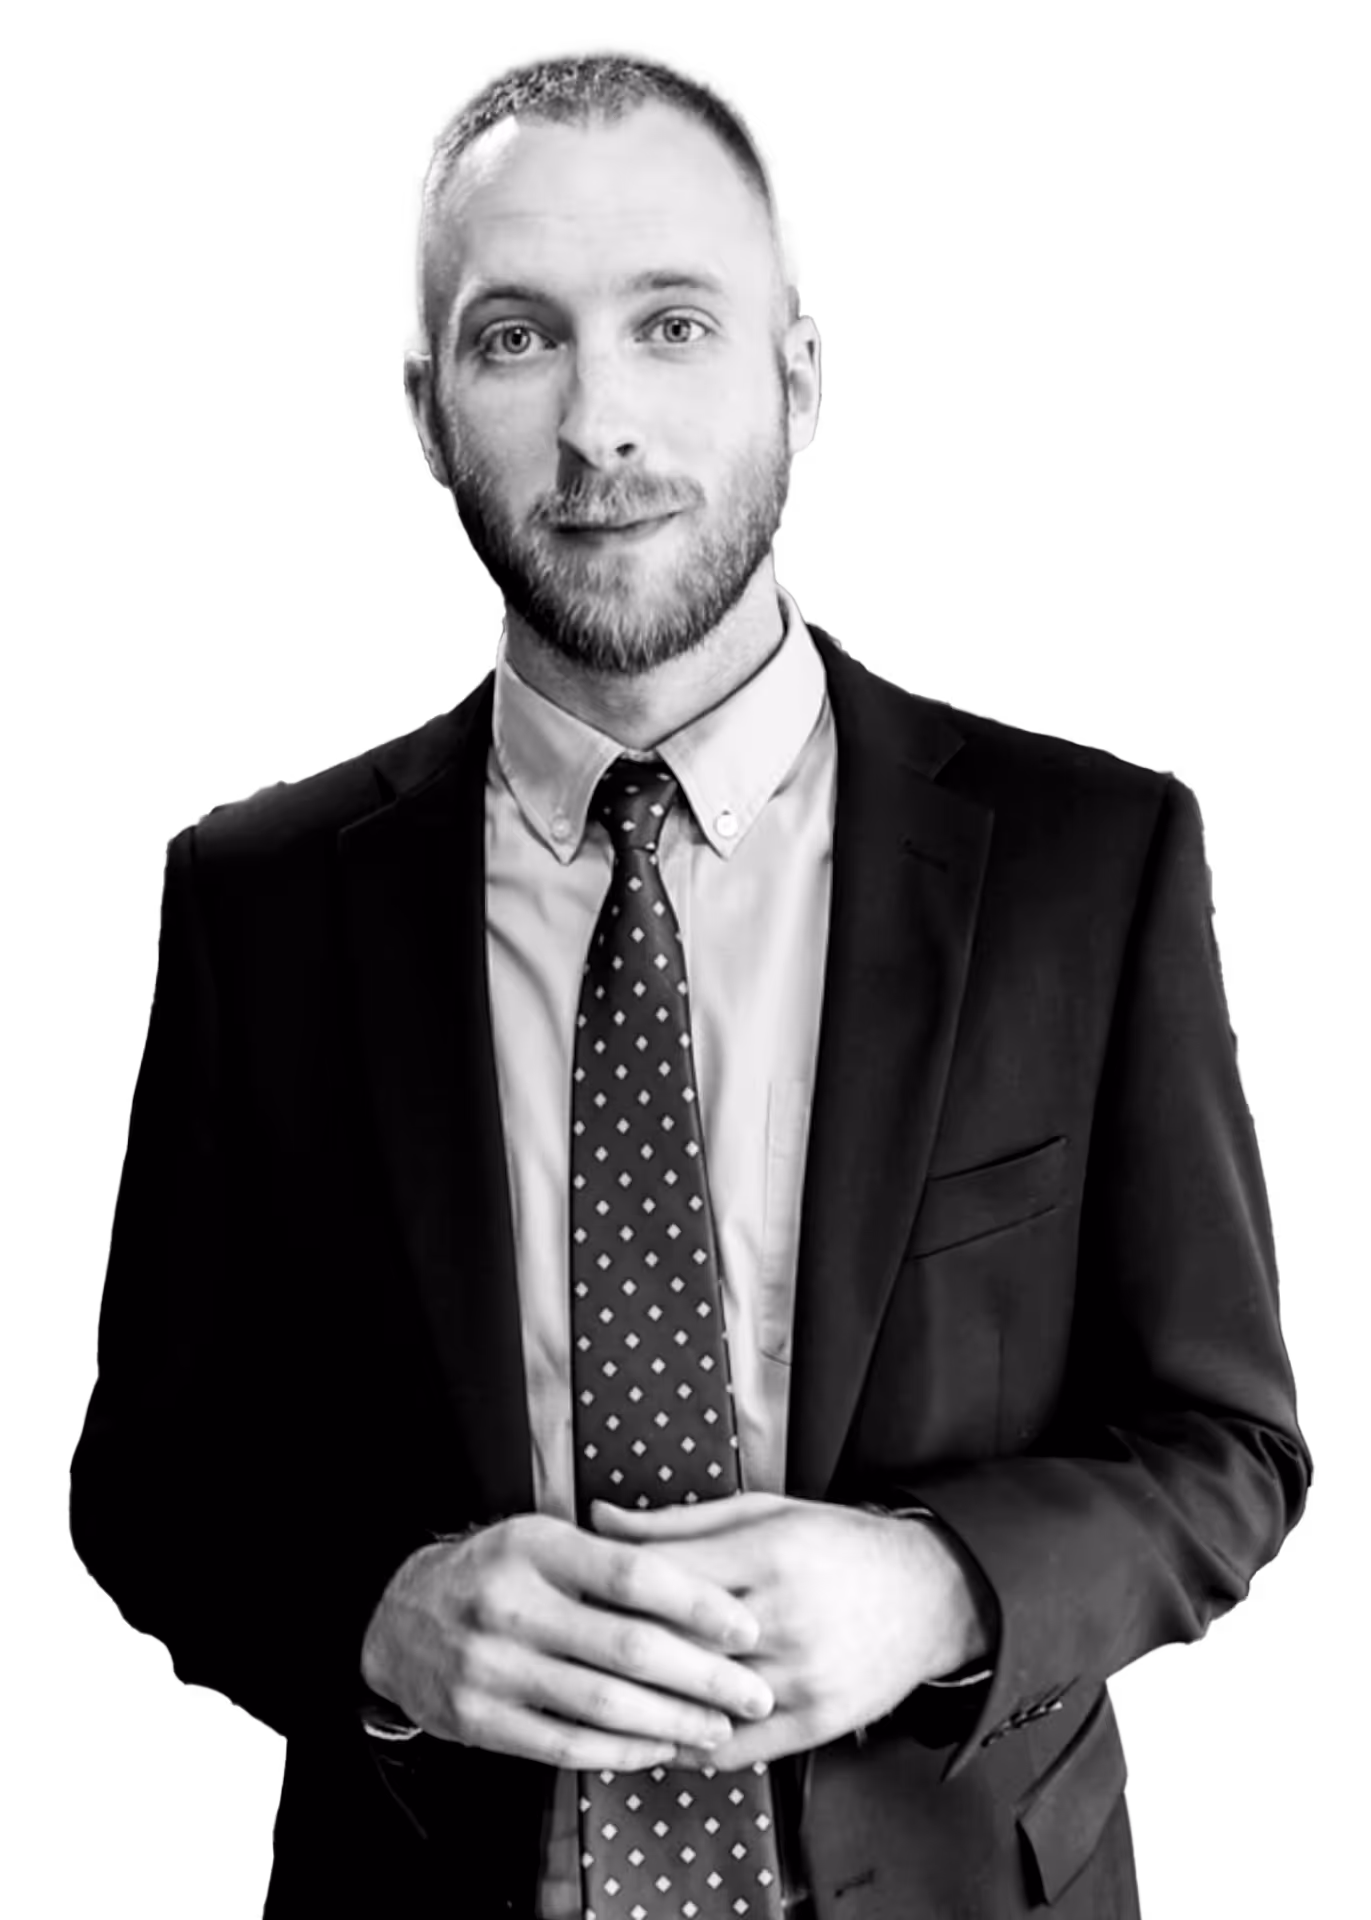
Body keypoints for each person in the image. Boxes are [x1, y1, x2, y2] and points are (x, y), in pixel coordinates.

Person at [70, 44, 1311, 1920]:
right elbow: (158, 1485)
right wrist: (382, 1625)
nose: (597, 428)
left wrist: (943, 1587)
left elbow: (1224, 1452)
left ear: (795, 376)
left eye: (670, 324)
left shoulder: (1083, 863)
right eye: (514, 340)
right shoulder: (257, 904)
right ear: (423, 408)